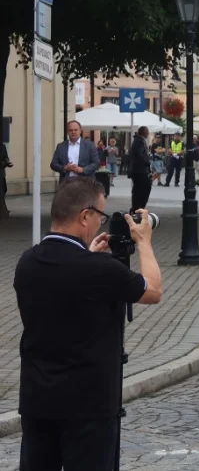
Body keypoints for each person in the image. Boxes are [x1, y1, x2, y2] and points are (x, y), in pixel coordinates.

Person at [15, 179, 163, 469]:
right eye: (100, 216)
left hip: (38, 400)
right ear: (84, 216)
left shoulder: (27, 261)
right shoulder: (100, 270)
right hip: (88, 405)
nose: (100, 224)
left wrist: (89, 257)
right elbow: (153, 290)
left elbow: (66, 286)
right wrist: (144, 243)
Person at [127, 126, 153, 212]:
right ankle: (139, 207)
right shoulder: (140, 141)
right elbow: (139, 154)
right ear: (143, 132)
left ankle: (136, 207)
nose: (148, 133)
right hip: (140, 171)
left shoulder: (137, 140)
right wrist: (147, 162)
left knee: (138, 189)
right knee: (145, 188)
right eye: (147, 132)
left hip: (137, 170)